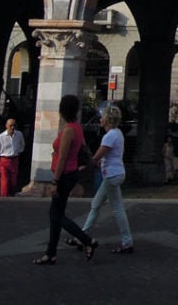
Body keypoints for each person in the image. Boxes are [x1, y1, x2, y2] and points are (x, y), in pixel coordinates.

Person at [33, 94, 97, 265]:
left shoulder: (69, 130)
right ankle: (51, 253)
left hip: (64, 176)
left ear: (62, 110)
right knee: (56, 214)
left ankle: (86, 240)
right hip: (71, 173)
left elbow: (62, 157)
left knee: (57, 215)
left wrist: (54, 181)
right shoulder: (77, 127)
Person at [68, 105, 134, 255]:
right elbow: (102, 157)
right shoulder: (118, 134)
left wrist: (83, 166)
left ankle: (125, 241)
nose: (100, 119)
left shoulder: (109, 136)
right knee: (98, 205)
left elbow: (97, 156)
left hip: (112, 175)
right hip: (115, 174)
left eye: (103, 117)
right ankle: (83, 237)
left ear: (108, 120)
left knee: (112, 208)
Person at [0, 118, 25, 197]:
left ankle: (11, 196)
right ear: (6, 126)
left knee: (13, 181)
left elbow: (22, 145)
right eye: (10, 126)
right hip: (3, 161)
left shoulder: (19, 134)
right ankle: (4, 198)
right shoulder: (0, 137)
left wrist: (17, 151)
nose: (12, 127)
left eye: (14, 125)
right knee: (4, 181)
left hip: (14, 160)